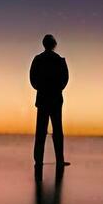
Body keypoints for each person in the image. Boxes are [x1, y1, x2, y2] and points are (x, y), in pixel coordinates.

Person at [30, 34, 70, 169]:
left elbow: (33, 79)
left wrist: (42, 88)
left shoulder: (38, 59)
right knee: (57, 129)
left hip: (43, 98)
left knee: (41, 130)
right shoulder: (59, 60)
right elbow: (65, 79)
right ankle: (59, 159)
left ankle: (38, 160)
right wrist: (56, 89)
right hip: (55, 98)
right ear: (53, 45)